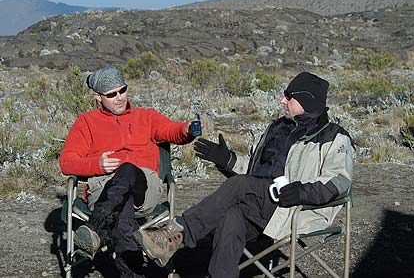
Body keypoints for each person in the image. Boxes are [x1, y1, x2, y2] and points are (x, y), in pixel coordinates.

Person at [133, 72, 355, 278]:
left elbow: (340, 181)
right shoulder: (277, 128)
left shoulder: (334, 138)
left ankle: (177, 233)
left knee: (239, 186)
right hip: (261, 203)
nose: (282, 101)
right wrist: (227, 160)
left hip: (297, 210)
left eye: (289, 97)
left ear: (306, 101)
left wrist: (300, 191)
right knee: (232, 217)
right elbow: (254, 172)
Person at [59, 65, 198, 277]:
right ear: (98, 97)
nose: (120, 98)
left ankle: (95, 230)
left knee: (127, 170)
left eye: (122, 90)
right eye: (111, 94)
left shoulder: (146, 116)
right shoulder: (86, 122)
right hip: (104, 188)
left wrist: (188, 128)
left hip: (144, 186)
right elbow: (67, 162)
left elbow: (173, 131)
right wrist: (97, 165)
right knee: (122, 212)